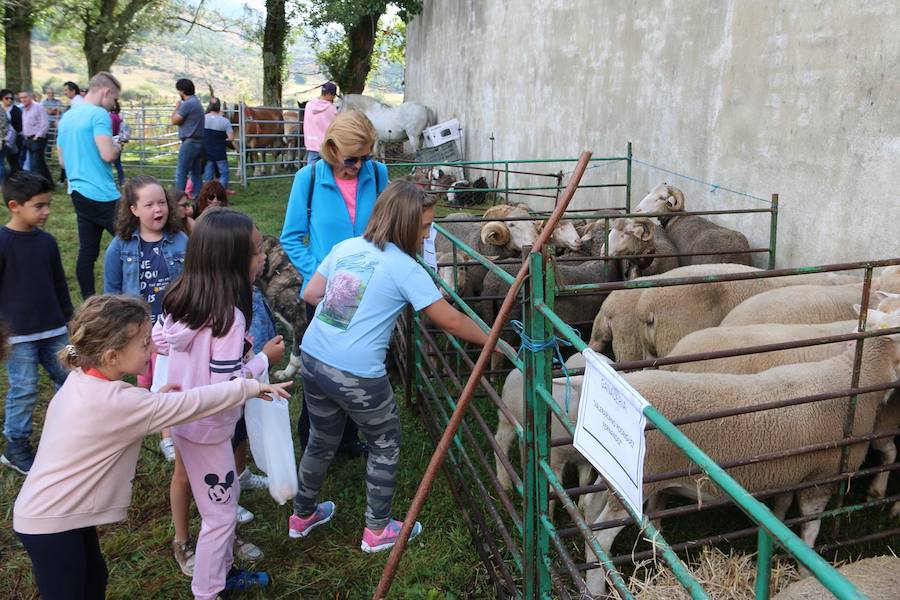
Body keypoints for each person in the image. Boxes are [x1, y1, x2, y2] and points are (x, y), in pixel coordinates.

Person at [13, 294, 291, 600]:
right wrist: (249, 385)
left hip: (60, 512)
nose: (154, 348)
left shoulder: (83, 379)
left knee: (94, 579)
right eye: (145, 344)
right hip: (51, 520)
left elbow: (119, 413)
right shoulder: (119, 401)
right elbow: (194, 402)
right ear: (112, 356)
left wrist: (154, 396)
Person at [287, 181, 496, 552]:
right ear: (403, 225)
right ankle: (377, 530)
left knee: (320, 439)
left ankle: (302, 515)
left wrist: (351, 305)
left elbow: (311, 293)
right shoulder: (404, 267)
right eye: (425, 227)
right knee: (385, 442)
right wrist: (492, 337)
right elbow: (448, 320)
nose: (429, 234)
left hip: (315, 357)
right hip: (358, 374)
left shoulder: (347, 247)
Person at [154, 208, 285, 599]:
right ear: (232, 261)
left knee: (219, 505)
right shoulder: (228, 318)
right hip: (211, 427)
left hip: (184, 420)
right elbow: (224, 386)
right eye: (257, 251)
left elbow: (161, 342)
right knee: (221, 516)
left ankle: (221, 571)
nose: (263, 258)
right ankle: (210, 589)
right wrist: (263, 360)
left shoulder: (180, 299)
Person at [281, 109, 389, 457]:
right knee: (323, 373)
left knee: (359, 367)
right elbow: (292, 237)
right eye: (351, 159)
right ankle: (311, 440)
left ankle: (346, 440)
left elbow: (387, 225)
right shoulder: (308, 178)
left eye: (365, 158)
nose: (358, 166)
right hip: (330, 294)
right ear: (330, 148)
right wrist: (323, 277)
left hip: (372, 290)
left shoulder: (378, 174)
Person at [0, 171, 72, 475]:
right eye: (39, 206)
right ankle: (16, 445)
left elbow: (59, 284)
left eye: (48, 205)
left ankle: (69, 434)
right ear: (14, 205)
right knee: (25, 388)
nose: (46, 212)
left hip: (56, 330)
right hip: (18, 337)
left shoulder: (48, 242)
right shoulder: (2, 242)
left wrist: (71, 319)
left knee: (74, 379)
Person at [56, 71, 122, 299]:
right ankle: (132, 293)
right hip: (103, 194)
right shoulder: (98, 115)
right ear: (105, 92)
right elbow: (106, 154)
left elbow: (62, 161)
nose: (113, 106)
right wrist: (117, 147)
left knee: (88, 252)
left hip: (77, 192)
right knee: (135, 240)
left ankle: (89, 301)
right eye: (113, 100)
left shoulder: (66, 118)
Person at [171, 78, 204, 195]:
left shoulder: (188, 104)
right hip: (199, 142)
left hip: (189, 142)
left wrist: (176, 107)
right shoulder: (197, 102)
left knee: (181, 172)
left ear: (182, 91)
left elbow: (174, 120)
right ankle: (198, 197)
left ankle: (178, 199)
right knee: (196, 173)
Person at [19, 91, 53, 187]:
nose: (23, 100)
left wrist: (37, 136)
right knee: (40, 163)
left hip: (37, 139)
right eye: (21, 98)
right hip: (28, 139)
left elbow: (45, 124)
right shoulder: (24, 109)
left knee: (35, 164)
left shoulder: (38, 107)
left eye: (25, 97)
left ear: (30, 97)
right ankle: (48, 184)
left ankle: (37, 186)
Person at [202, 97, 234, 192]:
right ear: (219, 107)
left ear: (209, 106)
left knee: (208, 175)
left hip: (207, 151)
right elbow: (231, 138)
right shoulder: (225, 121)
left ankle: (208, 194)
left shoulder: (203, 118)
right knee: (224, 173)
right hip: (220, 152)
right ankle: (220, 194)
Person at [302, 81, 337, 166]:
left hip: (311, 144)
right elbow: (336, 126)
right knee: (328, 172)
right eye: (334, 95)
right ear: (329, 94)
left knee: (312, 172)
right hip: (326, 146)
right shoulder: (331, 109)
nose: (334, 98)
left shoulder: (309, 105)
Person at [1, 89, 22, 176]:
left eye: (11, 98)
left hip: (14, 139)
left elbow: (20, 126)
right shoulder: (0, 109)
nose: (10, 100)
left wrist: (10, 132)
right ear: (2, 98)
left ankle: (17, 178)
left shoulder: (16, 110)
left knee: (13, 160)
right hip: (2, 139)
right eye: (7, 98)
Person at [109, 100, 127, 186]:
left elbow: (110, 130)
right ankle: (122, 181)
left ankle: (111, 182)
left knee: (108, 163)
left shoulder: (111, 116)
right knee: (118, 163)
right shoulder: (118, 117)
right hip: (118, 140)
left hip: (111, 139)